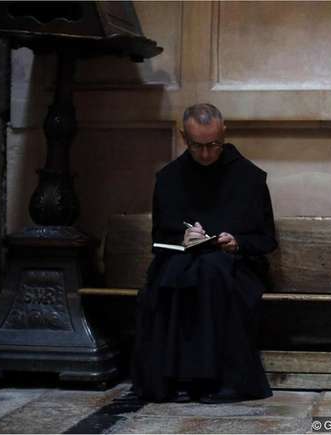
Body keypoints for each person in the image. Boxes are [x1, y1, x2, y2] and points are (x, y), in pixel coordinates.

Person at [132, 103, 277, 402]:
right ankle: (174, 380)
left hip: (238, 268)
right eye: (198, 146)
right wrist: (184, 238)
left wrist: (237, 242)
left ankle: (218, 381)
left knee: (210, 271)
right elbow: (159, 238)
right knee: (175, 274)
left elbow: (266, 239)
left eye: (214, 144)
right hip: (183, 263)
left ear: (224, 132)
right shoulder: (169, 178)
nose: (208, 154)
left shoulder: (249, 178)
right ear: (184, 137)